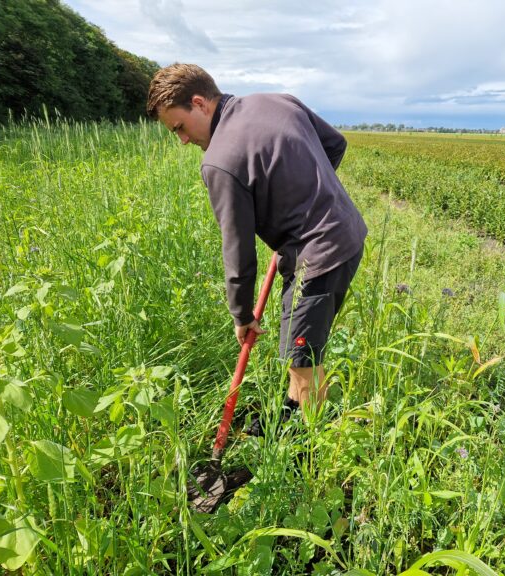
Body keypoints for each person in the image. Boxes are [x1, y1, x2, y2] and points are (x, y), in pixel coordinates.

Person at [147, 63, 367, 433]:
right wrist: (307, 198)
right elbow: (335, 144)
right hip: (348, 233)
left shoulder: (219, 161)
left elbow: (237, 250)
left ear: (199, 103)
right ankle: (290, 418)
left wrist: (241, 314)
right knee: (301, 352)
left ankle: (311, 456)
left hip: (317, 257)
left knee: (303, 362)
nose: (183, 140)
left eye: (179, 128)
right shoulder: (278, 101)